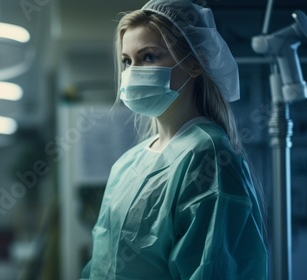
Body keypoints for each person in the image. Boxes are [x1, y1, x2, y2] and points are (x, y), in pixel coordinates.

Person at [80, 0, 268, 279]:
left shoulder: (209, 157)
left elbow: (212, 269)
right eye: (127, 61)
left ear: (195, 63)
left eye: (149, 57)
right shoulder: (130, 161)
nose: (132, 72)